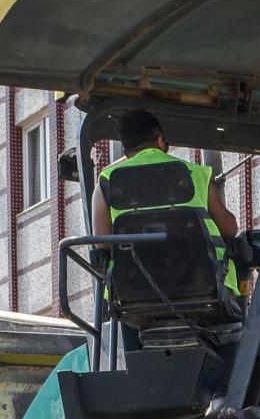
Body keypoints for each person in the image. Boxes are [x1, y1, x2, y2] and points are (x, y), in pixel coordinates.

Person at [102, 108, 247, 304]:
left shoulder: (107, 181)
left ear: (126, 150)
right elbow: (229, 228)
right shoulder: (195, 174)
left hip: (132, 291)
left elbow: (101, 243)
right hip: (205, 284)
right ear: (160, 141)